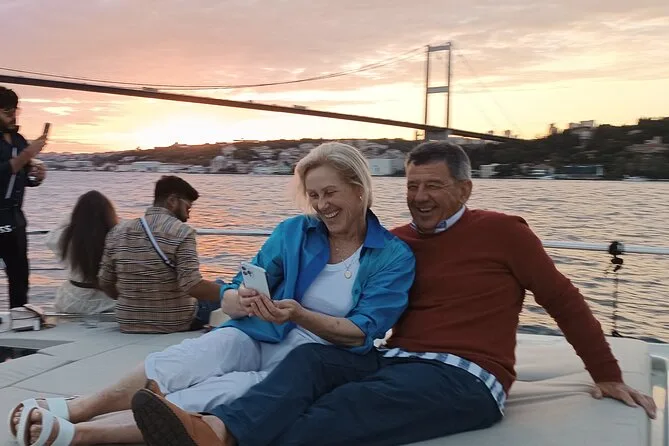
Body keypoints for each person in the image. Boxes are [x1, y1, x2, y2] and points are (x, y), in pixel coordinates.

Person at [130, 140, 657, 446]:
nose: (419, 197)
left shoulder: (505, 232)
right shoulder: (393, 245)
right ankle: (215, 431)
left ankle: (219, 435)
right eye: (411, 186)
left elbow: (562, 299)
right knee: (311, 363)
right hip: (394, 360)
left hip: (466, 377)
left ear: (465, 189)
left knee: (343, 409)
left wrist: (606, 373)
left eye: (434, 186)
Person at [8, 142, 415, 446]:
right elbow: (240, 284)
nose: (321, 205)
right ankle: (78, 408)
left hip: (318, 357)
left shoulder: (392, 255)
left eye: (330, 192)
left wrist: (298, 315)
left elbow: (362, 332)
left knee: (224, 391)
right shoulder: (294, 231)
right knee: (189, 356)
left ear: (358, 189)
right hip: (263, 331)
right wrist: (238, 300)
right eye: (313, 195)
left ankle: (81, 435)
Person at [97, 175, 223, 333]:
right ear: (172, 201)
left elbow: (105, 282)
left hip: (127, 321)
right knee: (224, 289)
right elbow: (192, 285)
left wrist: (134, 301)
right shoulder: (182, 232)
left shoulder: (117, 232)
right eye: (187, 208)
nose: (188, 216)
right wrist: (230, 292)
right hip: (175, 321)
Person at [0, 86, 48, 309]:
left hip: (15, 218)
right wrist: (29, 153)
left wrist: (36, 176)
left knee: (20, 279)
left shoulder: (18, 140)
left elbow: (21, 175)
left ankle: (19, 320)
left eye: (15, 111)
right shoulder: (23, 147)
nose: (13, 116)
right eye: (7, 112)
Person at [45, 190, 118, 314]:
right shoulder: (116, 237)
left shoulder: (64, 237)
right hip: (107, 301)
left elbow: (49, 239)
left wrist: (74, 217)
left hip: (72, 301)